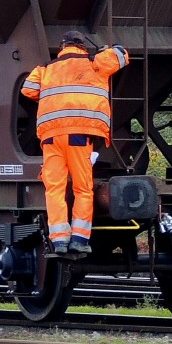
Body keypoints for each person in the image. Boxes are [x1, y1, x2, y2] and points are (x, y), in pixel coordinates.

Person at [20, 31, 129, 255]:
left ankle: (59, 240)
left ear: (62, 47)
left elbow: (27, 89)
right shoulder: (95, 62)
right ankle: (79, 239)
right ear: (82, 46)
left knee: (54, 189)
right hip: (80, 136)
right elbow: (122, 56)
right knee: (82, 188)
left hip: (51, 137)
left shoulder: (46, 68)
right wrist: (111, 47)